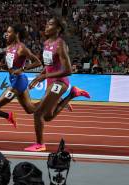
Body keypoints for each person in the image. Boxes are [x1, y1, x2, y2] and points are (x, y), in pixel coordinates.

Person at [25, 18, 90, 152]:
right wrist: (40, 76)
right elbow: (48, 65)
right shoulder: (46, 43)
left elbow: (68, 70)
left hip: (60, 82)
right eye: (47, 23)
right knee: (47, 117)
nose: (46, 26)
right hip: (50, 82)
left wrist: (44, 76)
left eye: (50, 24)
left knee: (38, 114)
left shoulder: (60, 45)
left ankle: (40, 144)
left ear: (58, 29)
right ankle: (73, 94)